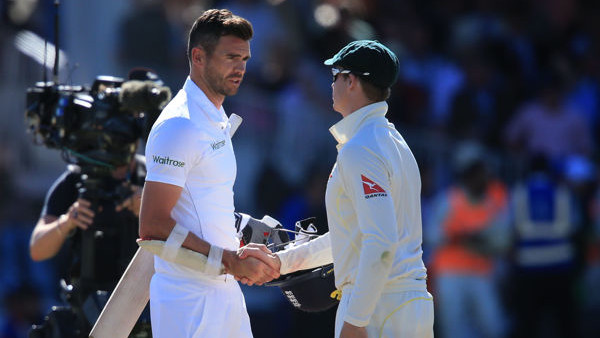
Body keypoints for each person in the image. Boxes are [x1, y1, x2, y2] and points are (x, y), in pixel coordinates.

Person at [242, 40, 435, 338]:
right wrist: (283, 262)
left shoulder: (361, 148)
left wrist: (356, 320)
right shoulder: (392, 141)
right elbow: (354, 237)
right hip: (401, 304)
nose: (330, 84)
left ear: (351, 81)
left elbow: (381, 243)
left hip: (378, 309)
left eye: (335, 76)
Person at [138, 9, 279, 338]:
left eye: (245, 59)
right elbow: (153, 226)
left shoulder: (214, 116)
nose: (241, 68)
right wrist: (230, 259)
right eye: (231, 57)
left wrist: (243, 236)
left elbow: (200, 204)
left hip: (224, 292)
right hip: (188, 303)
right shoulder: (179, 125)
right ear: (198, 57)